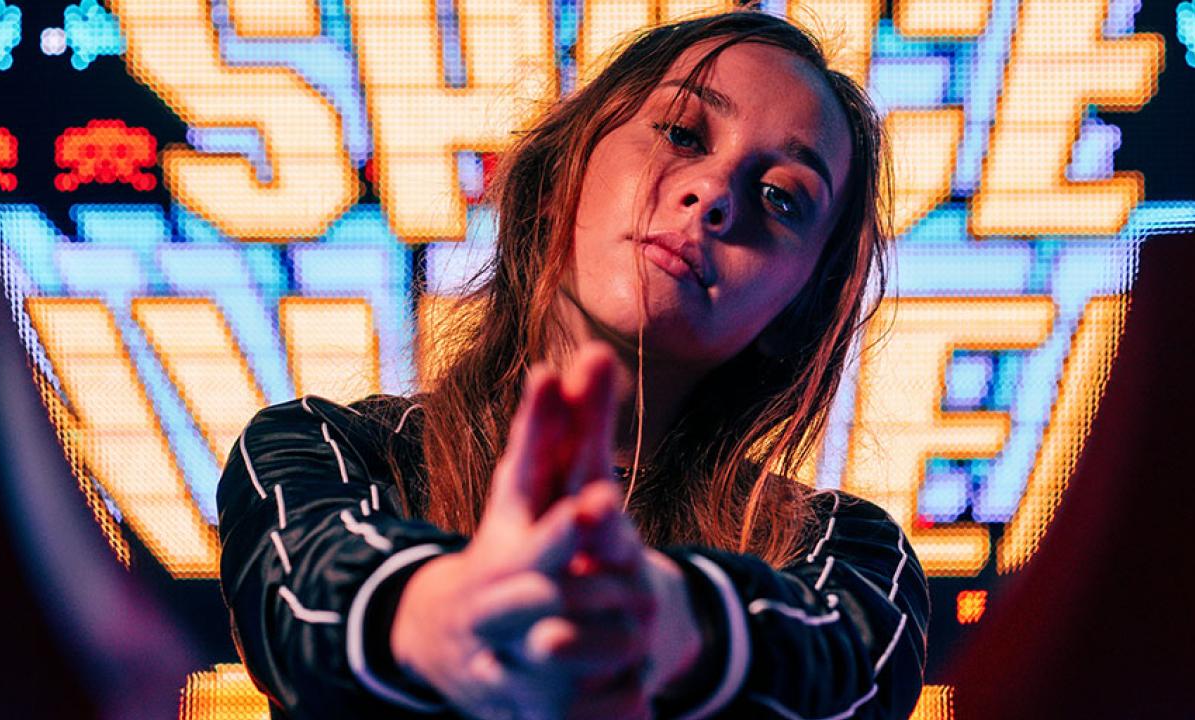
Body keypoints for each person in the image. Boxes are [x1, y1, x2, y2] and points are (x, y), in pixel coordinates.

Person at [218, 9, 930, 719]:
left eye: (780, 197)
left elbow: (842, 667)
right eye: (683, 133)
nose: (713, 195)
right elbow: (300, 589)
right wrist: (449, 613)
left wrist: (664, 620)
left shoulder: (850, 554)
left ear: (799, 310)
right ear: (565, 169)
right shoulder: (318, 448)